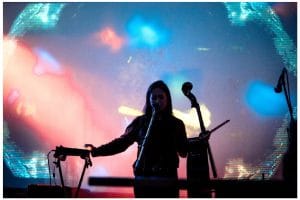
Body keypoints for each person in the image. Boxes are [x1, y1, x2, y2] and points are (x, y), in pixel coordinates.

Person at [90, 80, 188, 197]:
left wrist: (198, 143)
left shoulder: (177, 124)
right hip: (144, 179)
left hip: (167, 180)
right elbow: (122, 143)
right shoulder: (141, 122)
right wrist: (97, 151)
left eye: (161, 97)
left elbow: (183, 152)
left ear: (167, 99)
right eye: (154, 98)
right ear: (149, 100)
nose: (157, 101)